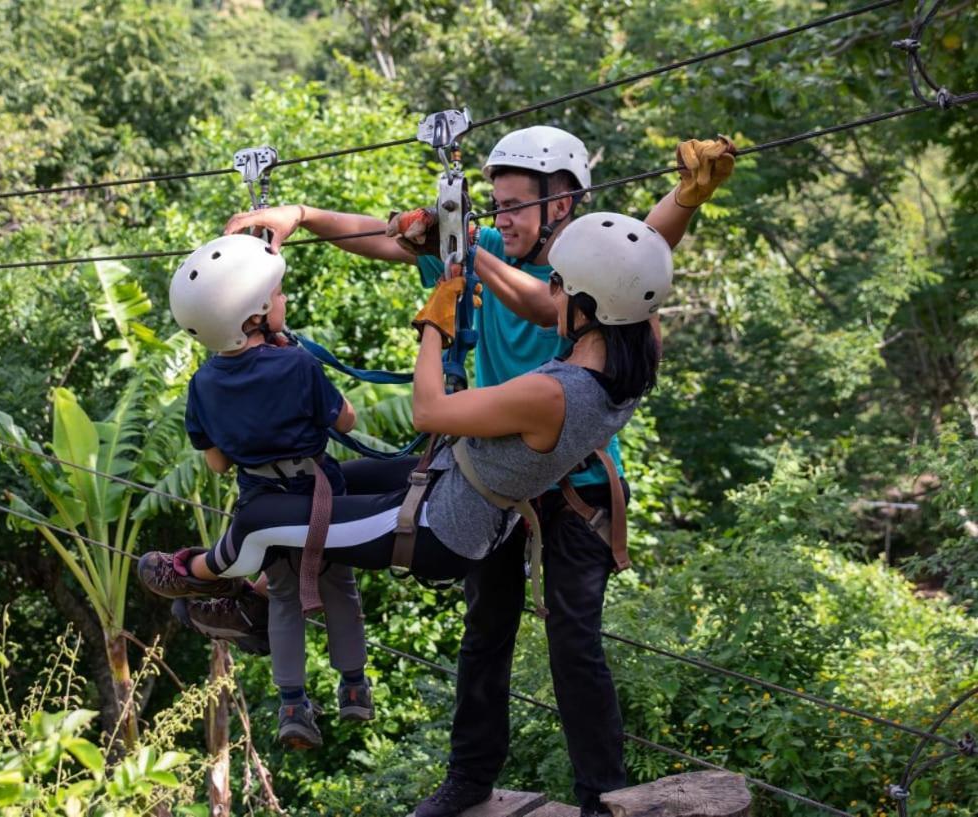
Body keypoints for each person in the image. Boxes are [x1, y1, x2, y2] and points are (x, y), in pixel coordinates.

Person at [211, 128, 736, 815]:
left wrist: (687, 200)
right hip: (489, 484)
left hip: (573, 486)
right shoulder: (484, 250)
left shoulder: (585, 277)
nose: (501, 219)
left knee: (573, 643)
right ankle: (469, 779)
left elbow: (636, 249)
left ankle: (601, 794)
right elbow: (380, 237)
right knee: (483, 629)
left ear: (564, 205)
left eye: (515, 205)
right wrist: (304, 216)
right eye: (493, 206)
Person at [137, 215, 673, 779]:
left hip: (442, 525)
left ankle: (203, 571)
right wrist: (687, 198)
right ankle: (260, 591)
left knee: (265, 516)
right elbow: (637, 270)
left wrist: (434, 326)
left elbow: (429, 411)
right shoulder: (633, 357)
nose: (551, 295)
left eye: (560, 286)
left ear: (590, 307)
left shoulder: (553, 393)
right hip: (452, 476)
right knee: (335, 478)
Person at [157, 232, 375, 750]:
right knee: (337, 586)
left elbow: (216, 462)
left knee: (282, 596)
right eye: (276, 296)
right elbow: (346, 418)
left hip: (263, 507)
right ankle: (353, 689)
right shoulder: (298, 363)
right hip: (320, 498)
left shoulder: (202, 384)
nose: (283, 301)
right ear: (253, 313)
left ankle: (294, 703)